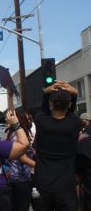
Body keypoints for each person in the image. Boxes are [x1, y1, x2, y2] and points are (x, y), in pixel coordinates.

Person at [33, 81, 80, 211]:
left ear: (50, 104)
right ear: (70, 105)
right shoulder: (74, 123)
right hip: (66, 185)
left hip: (43, 184)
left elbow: (43, 110)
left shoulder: (41, 121)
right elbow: (71, 113)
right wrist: (74, 94)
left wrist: (45, 93)